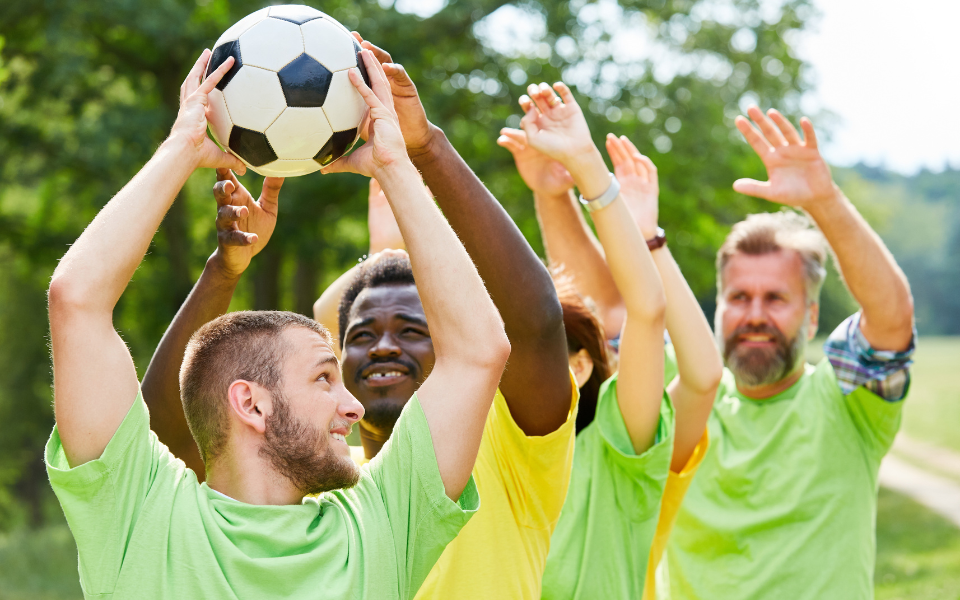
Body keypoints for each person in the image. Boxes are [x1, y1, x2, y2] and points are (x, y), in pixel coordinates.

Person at [44, 48, 511, 599]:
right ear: (252, 403)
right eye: (322, 378)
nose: (354, 405)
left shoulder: (383, 520)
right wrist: (181, 149)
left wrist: (397, 166)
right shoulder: (136, 513)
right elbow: (76, 300)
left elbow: (480, 351)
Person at [143, 35, 579, 600]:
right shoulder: (312, 472)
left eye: (414, 330)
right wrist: (223, 273)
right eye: (362, 334)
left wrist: (425, 150)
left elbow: (535, 325)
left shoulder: (507, 447)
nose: (383, 347)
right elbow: (163, 437)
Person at [659, 108, 916, 599]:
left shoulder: (846, 400)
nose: (755, 314)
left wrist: (824, 201)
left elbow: (891, 319)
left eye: (776, 298)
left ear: (813, 317)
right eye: (739, 298)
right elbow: (592, 325)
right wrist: (556, 191)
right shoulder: (684, 387)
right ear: (719, 309)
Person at [498, 85, 722, 598]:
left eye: (536, 349)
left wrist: (592, 175)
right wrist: (549, 190)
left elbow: (646, 321)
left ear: (581, 366)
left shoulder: (618, 447)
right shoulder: (485, 455)